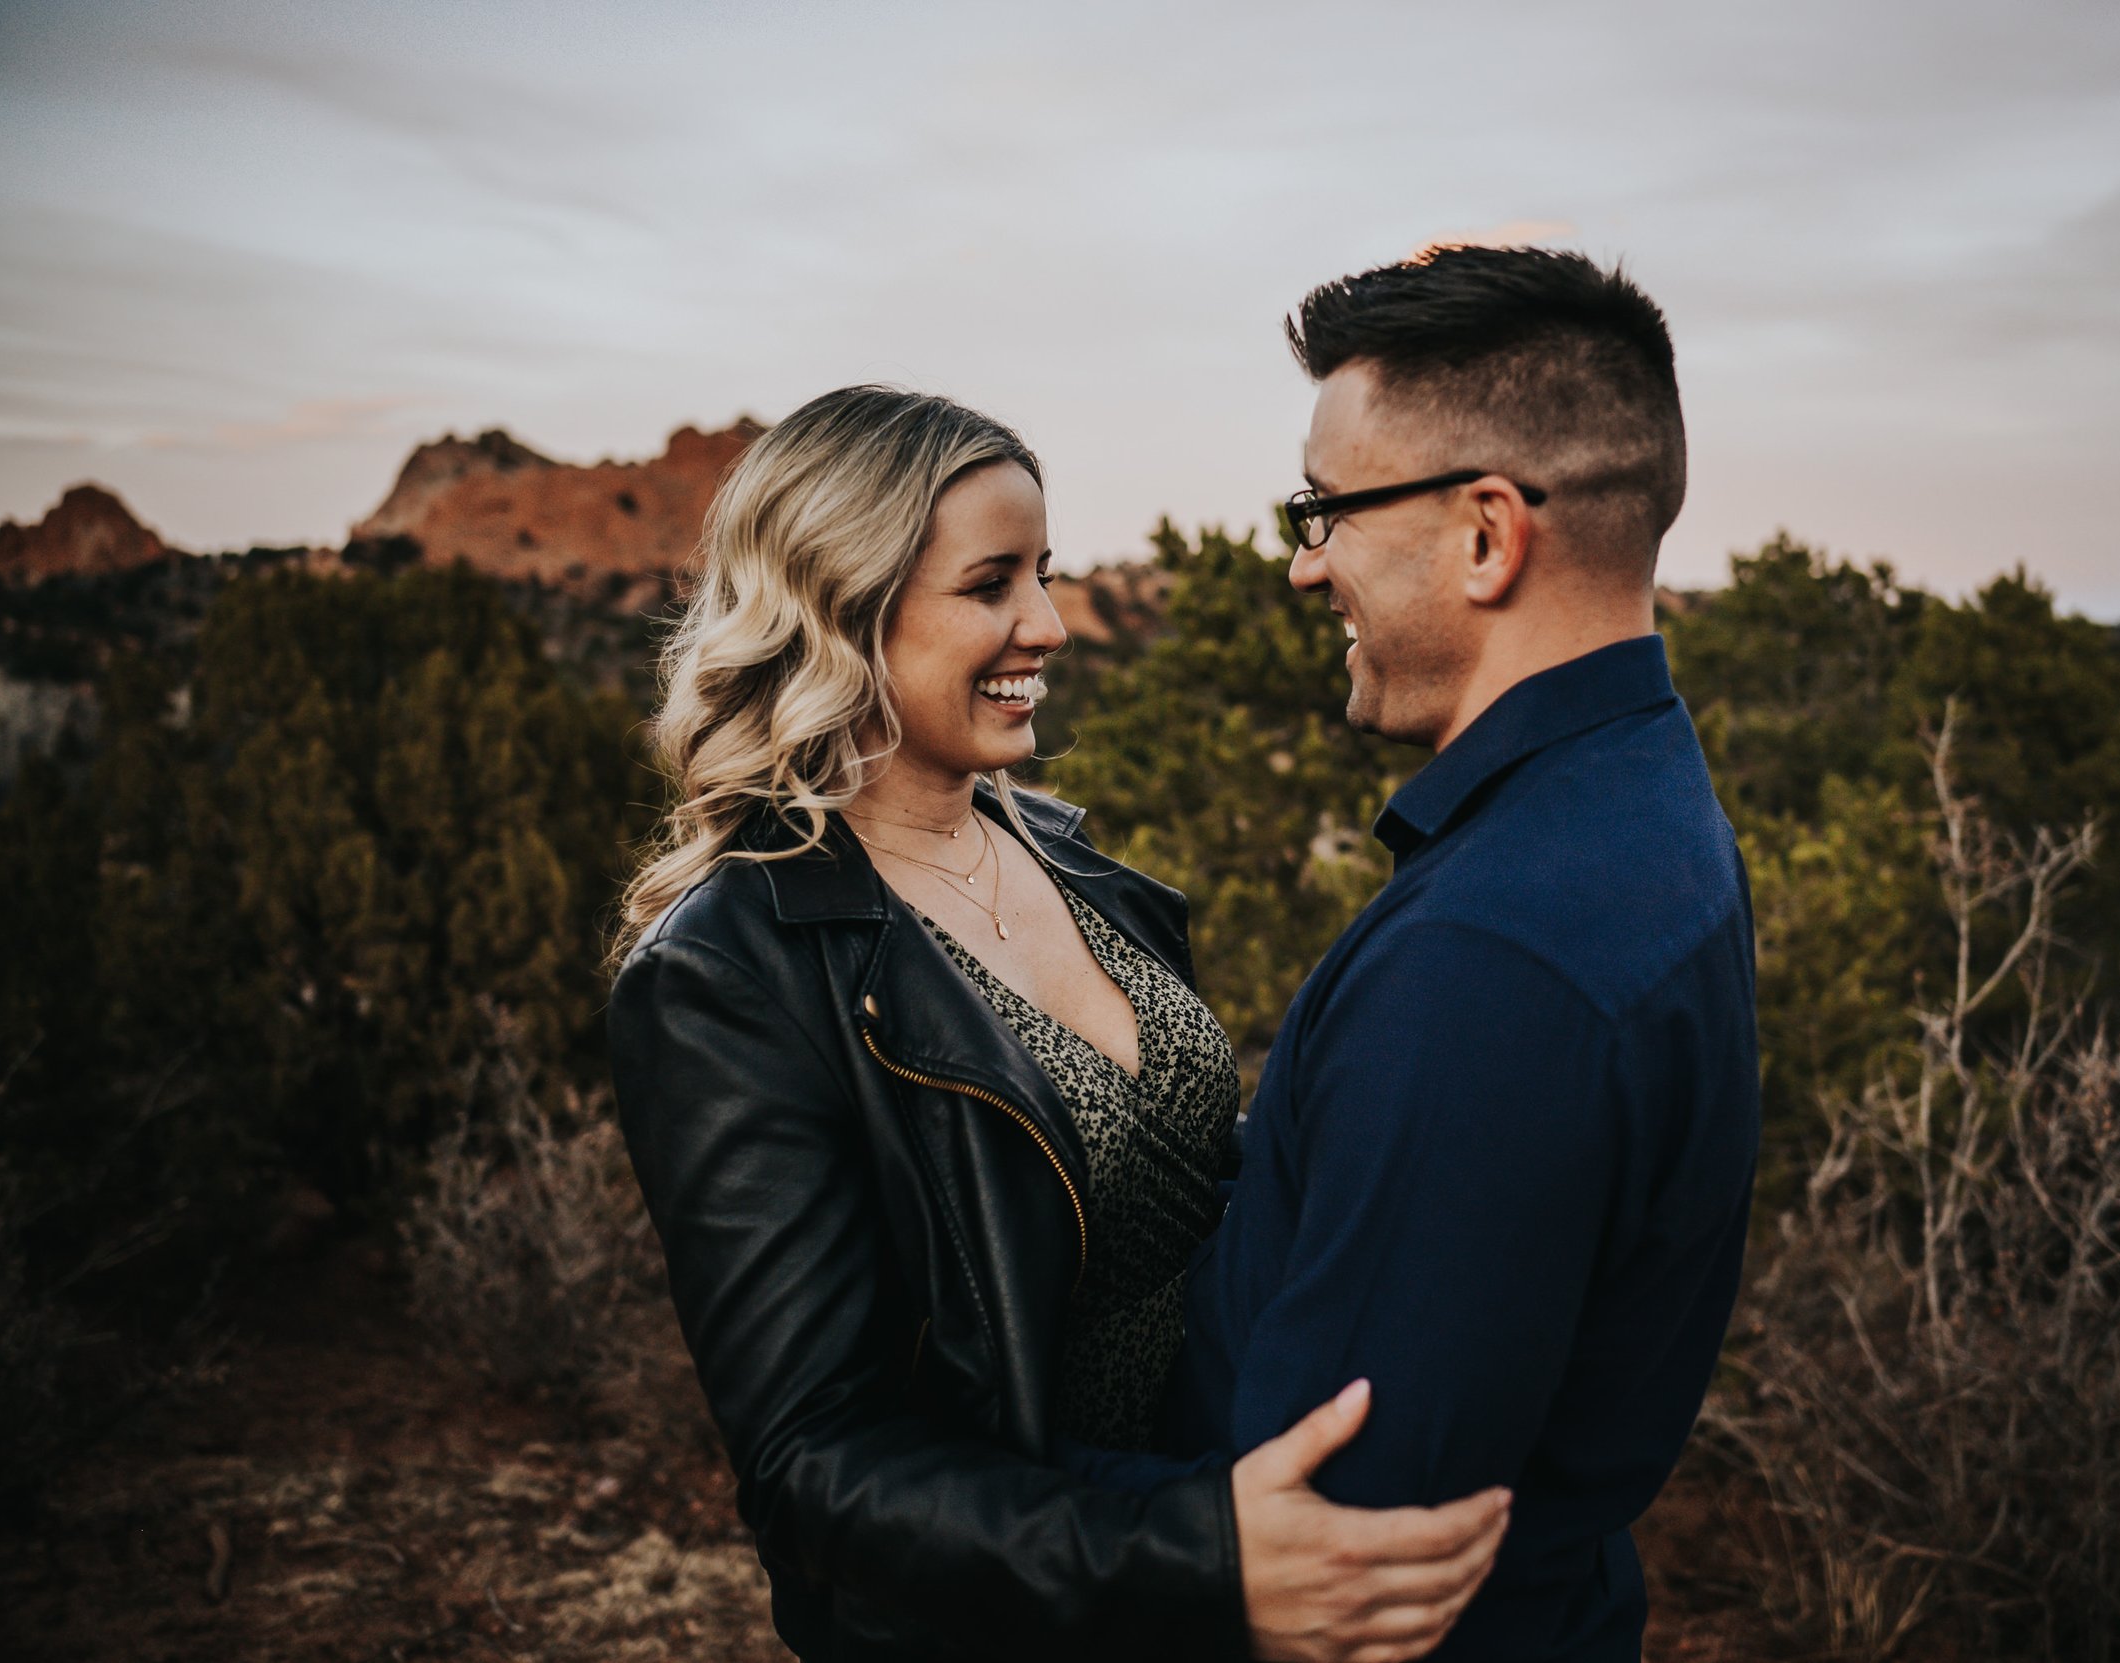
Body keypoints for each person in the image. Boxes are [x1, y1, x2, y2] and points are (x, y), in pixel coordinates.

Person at [603, 385, 1509, 1663]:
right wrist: (1198, 1557)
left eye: (1048, 572)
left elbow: (1190, 1190)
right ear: (840, 608)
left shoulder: (1072, 858)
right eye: (992, 584)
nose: (1050, 623)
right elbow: (816, 1468)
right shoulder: (728, 974)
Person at [1163, 246, 1763, 1661]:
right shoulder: (1646, 804)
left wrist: (943, 1503)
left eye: (1325, 509)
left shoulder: (1493, 959)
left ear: (1490, 534)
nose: (1306, 563)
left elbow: (1344, 1553)